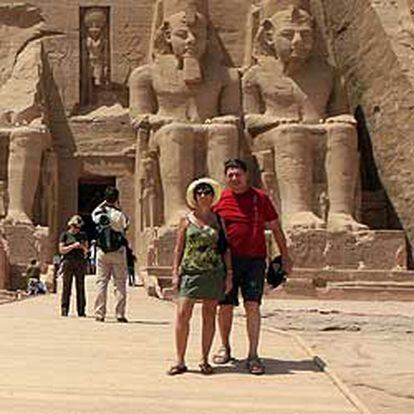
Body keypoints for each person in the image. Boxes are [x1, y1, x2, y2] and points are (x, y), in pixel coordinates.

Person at [212, 159, 292, 375]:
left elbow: (275, 227)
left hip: (255, 260)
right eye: (230, 175)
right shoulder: (219, 199)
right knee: (225, 306)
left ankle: (253, 354)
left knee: (252, 306)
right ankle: (224, 346)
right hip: (227, 261)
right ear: (225, 177)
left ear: (246, 175)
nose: (234, 178)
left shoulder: (260, 198)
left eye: (238, 174)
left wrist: (285, 256)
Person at [168, 178, 233, 376]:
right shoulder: (186, 220)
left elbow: (225, 249)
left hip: (213, 272)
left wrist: (229, 274)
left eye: (206, 192)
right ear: (194, 197)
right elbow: (179, 249)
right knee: (182, 314)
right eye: (200, 192)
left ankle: (204, 359)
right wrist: (175, 272)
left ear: (213, 196)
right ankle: (179, 360)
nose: (203, 195)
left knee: (209, 315)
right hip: (190, 271)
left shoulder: (218, 220)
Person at [92, 186, 129, 323]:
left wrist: (105, 203)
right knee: (119, 283)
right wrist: (117, 206)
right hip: (118, 251)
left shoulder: (100, 213)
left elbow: (93, 214)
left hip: (103, 251)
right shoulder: (120, 215)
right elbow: (125, 226)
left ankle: (99, 313)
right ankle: (120, 313)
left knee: (101, 282)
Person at [58, 215, 88, 317]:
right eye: (75, 226)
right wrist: (72, 246)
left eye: (78, 227)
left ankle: (81, 310)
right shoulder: (65, 235)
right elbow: (61, 250)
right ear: (71, 226)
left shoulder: (83, 235)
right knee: (66, 287)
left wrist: (82, 247)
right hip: (68, 262)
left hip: (80, 262)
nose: (77, 229)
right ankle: (64, 308)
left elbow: (86, 250)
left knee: (80, 287)